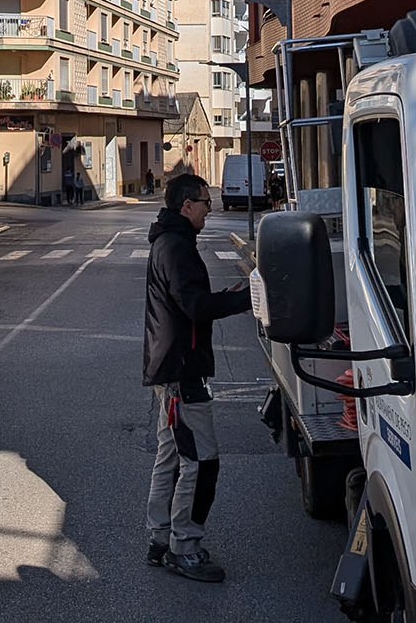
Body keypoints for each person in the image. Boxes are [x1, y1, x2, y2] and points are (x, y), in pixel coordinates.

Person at [141, 173, 249, 583]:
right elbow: (196, 306)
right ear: (186, 205)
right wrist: (245, 300)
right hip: (182, 370)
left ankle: (160, 538)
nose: (211, 208)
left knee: (171, 456)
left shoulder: (170, 242)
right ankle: (184, 547)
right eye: (206, 202)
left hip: (170, 367)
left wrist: (227, 298)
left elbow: (191, 302)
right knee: (202, 461)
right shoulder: (176, 247)